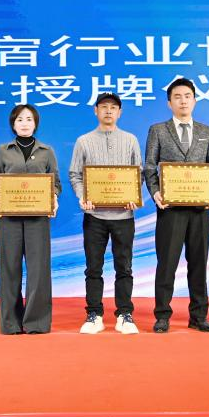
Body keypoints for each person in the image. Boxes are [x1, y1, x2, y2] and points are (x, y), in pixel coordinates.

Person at [144, 77, 209, 333]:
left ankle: (199, 316)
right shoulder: (158, 130)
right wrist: (155, 192)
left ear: (195, 100)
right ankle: (162, 315)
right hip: (170, 209)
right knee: (166, 264)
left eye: (187, 96)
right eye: (177, 97)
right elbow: (149, 167)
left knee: (198, 264)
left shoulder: (207, 132)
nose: (183, 101)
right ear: (169, 103)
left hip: (200, 209)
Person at [68, 92, 141, 334]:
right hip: (95, 217)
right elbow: (75, 174)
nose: (108, 111)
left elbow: (137, 173)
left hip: (124, 217)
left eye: (113, 107)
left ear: (120, 112)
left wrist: (133, 196)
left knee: (124, 267)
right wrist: (83, 197)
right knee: (93, 268)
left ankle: (125, 314)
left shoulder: (130, 140)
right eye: (103, 107)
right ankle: (94, 314)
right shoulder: (83, 141)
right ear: (96, 111)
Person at [0, 104, 61, 335]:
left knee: (38, 270)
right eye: (20, 119)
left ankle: (36, 322)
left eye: (29, 119)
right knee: (9, 268)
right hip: (9, 218)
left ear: (35, 123)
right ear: (13, 124)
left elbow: (55, 183)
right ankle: (10, 323)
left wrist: (53, 197)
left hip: (37, 218)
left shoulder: (47, 151)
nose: (24, 123)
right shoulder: (3, 151)